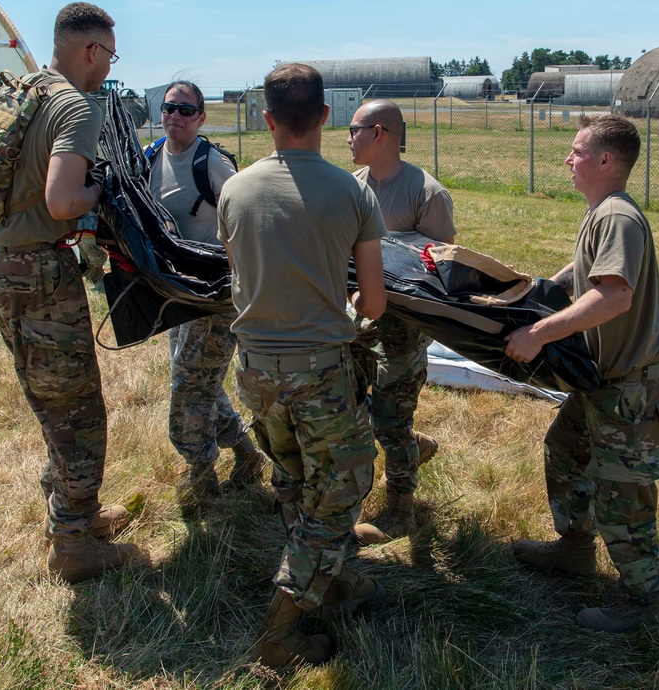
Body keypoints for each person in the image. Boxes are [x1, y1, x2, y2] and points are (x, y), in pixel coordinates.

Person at [0, 3, 139, 584]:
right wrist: (100, 185)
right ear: (91, 52)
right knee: (78, 410)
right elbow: (62, 201)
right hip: (40, 274)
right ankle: (75, 544)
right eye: (109, 55)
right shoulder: (74, 106)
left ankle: (70, 515)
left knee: (47, 396)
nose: (108, 66)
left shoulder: (15, 91)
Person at [217, 63, 388, 669]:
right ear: (324, 116)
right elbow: (374, 301)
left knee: (293, 478)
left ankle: (332, 580)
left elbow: (242, 275)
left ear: (266, 119)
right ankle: (281, 628)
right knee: (339, 491)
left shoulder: (235, 188)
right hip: (320, 370)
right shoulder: (352, 192)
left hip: (255, 369)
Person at [505, 114, 659, 633]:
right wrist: (543, 287)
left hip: (633, 389)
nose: (568, 158)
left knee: (621, 496)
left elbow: (614, 295)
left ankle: (643, 603)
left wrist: (541, 333)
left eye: (578, 151)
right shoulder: (600, 213)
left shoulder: (618, 217)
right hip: (602, 383)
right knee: (566, 449)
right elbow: (587, 275)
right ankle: (576, 549)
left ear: (606, 161)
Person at [147, 80, 264, 512]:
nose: (174, 115)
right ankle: (248, 454)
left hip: (215, 293)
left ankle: (201, 473)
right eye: (168, 107)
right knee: (199, 377)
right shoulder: (149, 157)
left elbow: (245, 217)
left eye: (184, 109)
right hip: (175, 293)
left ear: (201, 117)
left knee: (188, 382)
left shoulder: (211, 164)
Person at [344, 99, 456, 545]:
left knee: (390, 420)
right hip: (357, 320)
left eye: (354, 129)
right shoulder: (352, 187)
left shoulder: (426, 193)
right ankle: (415, 445)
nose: (347, 138)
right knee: (351, 406)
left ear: (380, 133)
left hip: (402, 330)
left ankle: (401, 511)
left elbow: (442, 270)